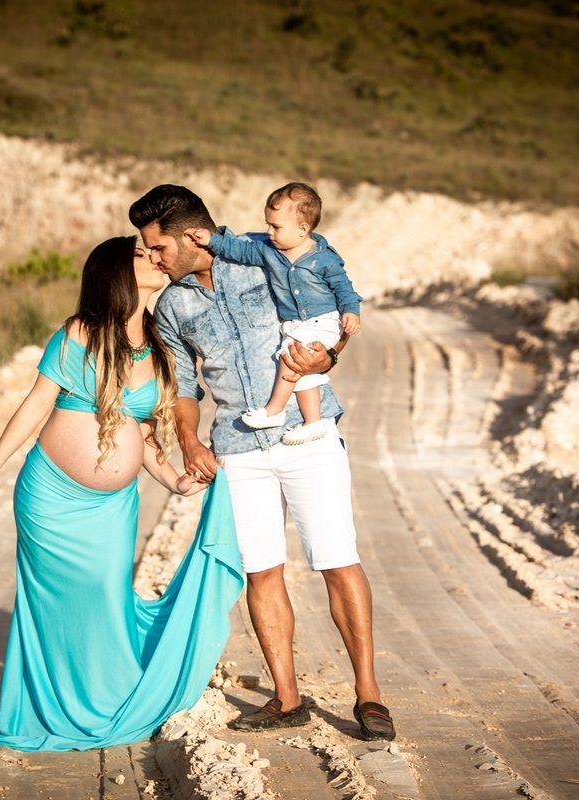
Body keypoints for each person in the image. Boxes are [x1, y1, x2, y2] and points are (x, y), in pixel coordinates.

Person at [0, 236, 245, 752]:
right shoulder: (78, 332)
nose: (154, 257)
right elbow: (36, 406)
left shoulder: (158, 341)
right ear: (114, 273)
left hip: (113, 507)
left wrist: (172, 479)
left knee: (103, 599)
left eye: (153, 253)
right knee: (58, 607)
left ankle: (102, 698)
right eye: (141, 255)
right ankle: (52, 708)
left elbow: (144, 432)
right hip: (52, 499)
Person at [130, 185, 396, 741]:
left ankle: (368, 695)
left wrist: (331, 354)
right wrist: (188, 438)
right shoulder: (172, 305)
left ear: (189, 236)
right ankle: (287, 695)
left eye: (158, 247)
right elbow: (183, 386)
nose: (153, 259)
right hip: (235, 447)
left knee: (336, 559)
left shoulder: (267, 250)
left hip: (307, 432)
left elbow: (329, 312)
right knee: (262, 570)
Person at [186, 182, 361, 446]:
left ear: (303, 229)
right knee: (303, 369)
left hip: (323, 319)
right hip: (295, 323)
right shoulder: (269, 251)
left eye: (276, 227)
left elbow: (343, 287)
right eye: (267, 224)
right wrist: (212, 240)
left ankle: (274, 410)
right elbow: (240, 250)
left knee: (291, 358)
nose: (268, 232)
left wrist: (352, 311)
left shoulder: (324, 258)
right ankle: (313, 421)